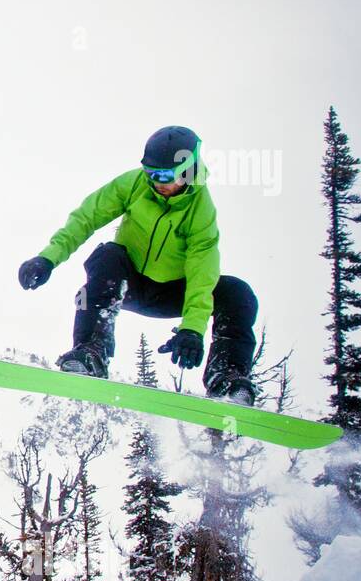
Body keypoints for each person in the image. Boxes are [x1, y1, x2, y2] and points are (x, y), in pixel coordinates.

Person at [17, 125, 259, 405]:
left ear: (188, 171)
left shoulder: (201, 211)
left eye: (166, 176)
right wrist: (47, 258)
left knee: (237, 293)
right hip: (124, 283)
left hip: (173, 293)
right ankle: (91, 352)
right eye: (151, 173)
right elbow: (86, 217)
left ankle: (227, 380)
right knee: (107, 255)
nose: (157, 182)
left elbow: (202, 272)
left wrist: (192, 328)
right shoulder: (134, 185)